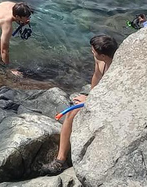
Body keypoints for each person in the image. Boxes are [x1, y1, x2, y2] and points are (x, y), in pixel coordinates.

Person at [44, 35, 119, 174]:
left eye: (93, 50)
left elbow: (116, 95)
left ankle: (60, 161)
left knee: (71, 114)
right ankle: (61, 158)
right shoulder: (99, 59)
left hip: (112, 101)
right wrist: (90, 95)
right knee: (73, 108)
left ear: (103, 54)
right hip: (99, 95)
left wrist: (91, 101)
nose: (91, 51)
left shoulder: (116, 68)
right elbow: (96, 77)